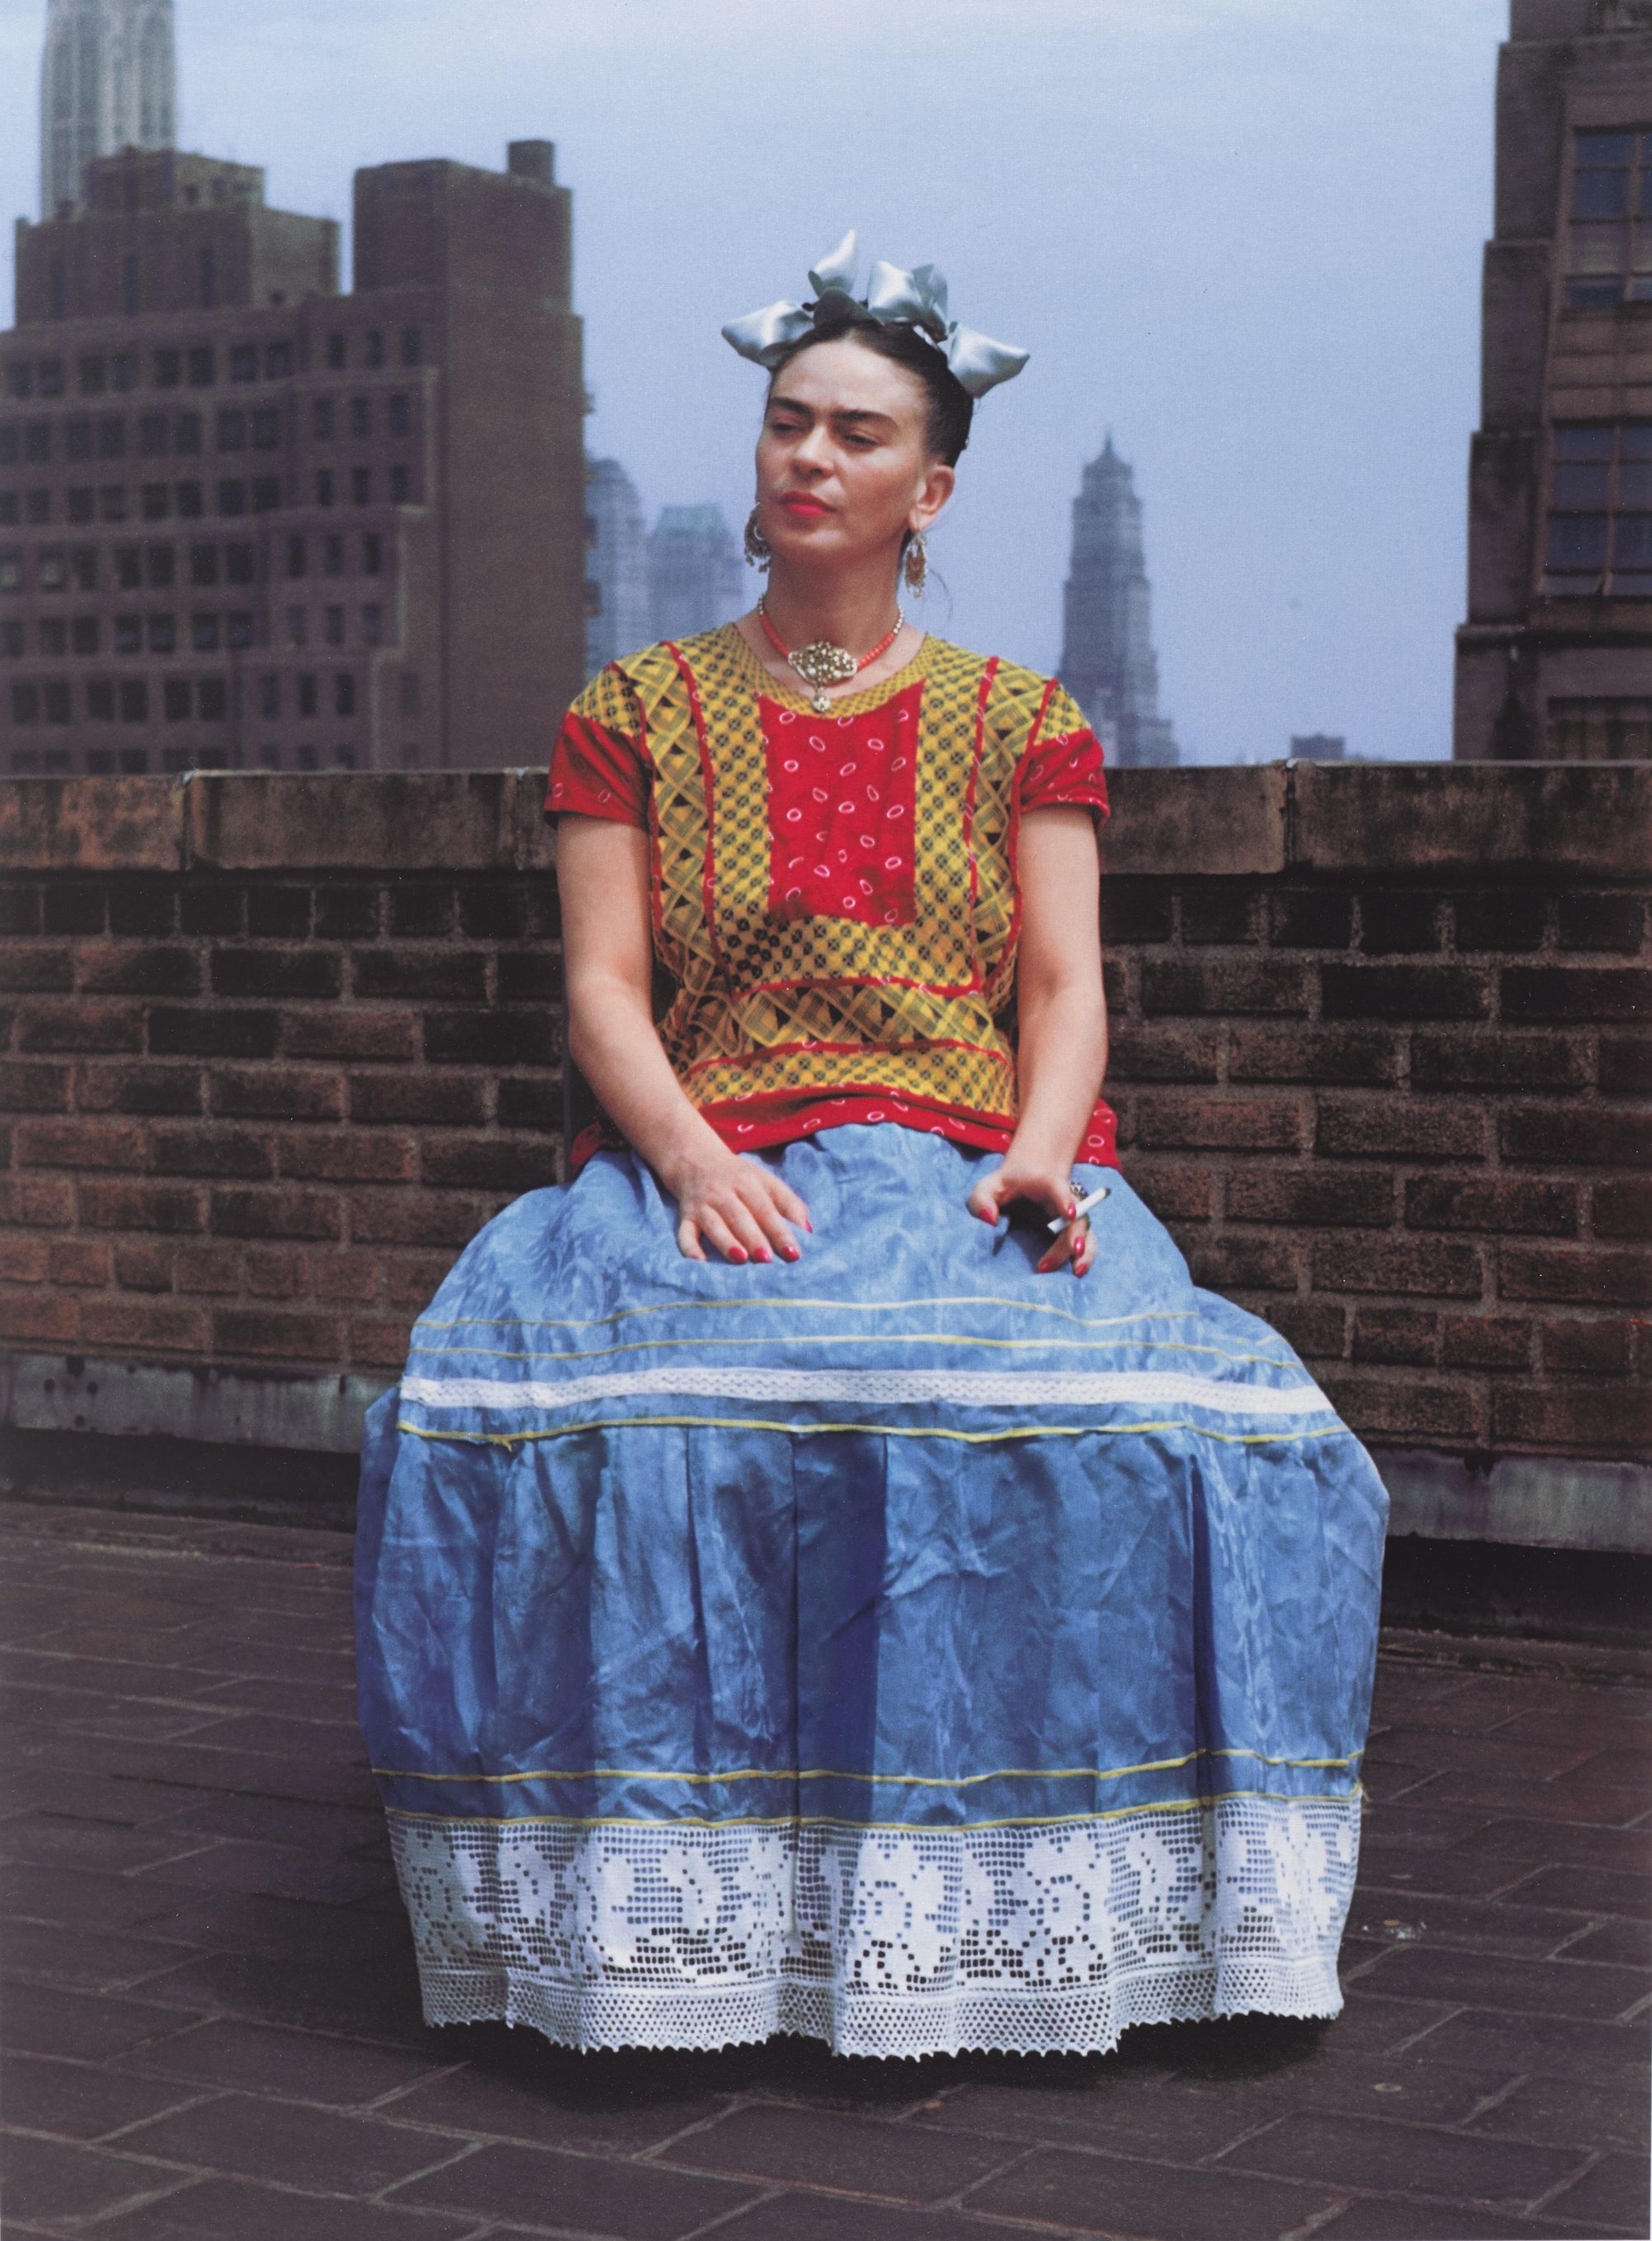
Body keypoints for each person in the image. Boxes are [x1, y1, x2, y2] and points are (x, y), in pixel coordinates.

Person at [355, 232, 1388, 2061]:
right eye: (785, 426)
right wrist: (684, 1163)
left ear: (934, 487)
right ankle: (689, 1926)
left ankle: (1002, 1915)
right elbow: (604, 991)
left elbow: (1064, 987)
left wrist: (1049, 1154)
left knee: (1141, 1434)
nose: (808, 460)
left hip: (976, 1157)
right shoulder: (636, 717)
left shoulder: (1021, 724)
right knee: (643, 1426)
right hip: (719, 1145)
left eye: (854, 434)